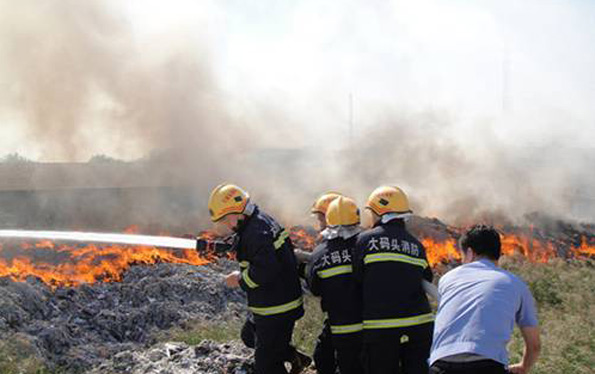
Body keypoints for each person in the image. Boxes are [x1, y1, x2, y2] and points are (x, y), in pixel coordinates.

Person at [208, 183, 310, 374]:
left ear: (238, 211)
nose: (226, 225)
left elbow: (265, 270)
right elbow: (256, 248)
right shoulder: (258, 220)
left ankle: (278, 359)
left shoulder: (255, 232)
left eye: (226, 219)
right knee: (249, 336)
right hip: (275, 301)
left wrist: (239, 278)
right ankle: (292, 356)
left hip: (276, 308)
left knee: (266, 366)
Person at [429, 225, 541, 374]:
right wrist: (523, 367)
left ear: (469, 253)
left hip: (441, 363)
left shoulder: (448, 279)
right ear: (498, 253)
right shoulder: (515, 284)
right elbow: (534, 346)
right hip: (488, 365)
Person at [353, 185, 434, 374]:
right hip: (419, 325)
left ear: (380, 212)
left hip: (382, 327)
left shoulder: (366, 241)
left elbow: (357, 278)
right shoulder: (416, 245)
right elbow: (427, 277)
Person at [307, 196, 364, 374]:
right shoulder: (368, 244)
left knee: (337, 362)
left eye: (321, 218)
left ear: (329, 218)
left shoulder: (320, 253)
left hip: (340, 325)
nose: (319, 223)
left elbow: (314, 288)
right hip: (372, 324)